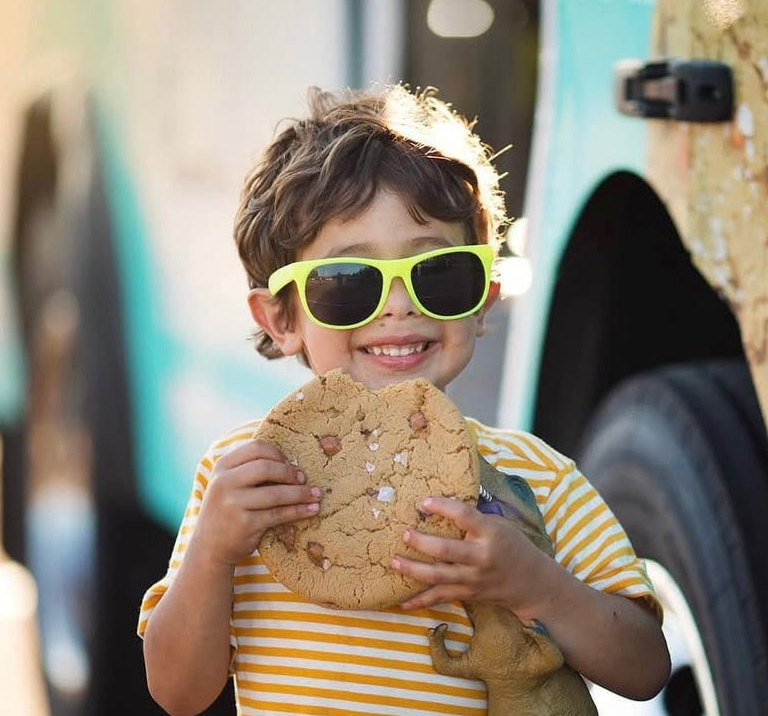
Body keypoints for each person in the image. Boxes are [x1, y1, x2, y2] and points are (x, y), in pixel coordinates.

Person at [138, 85, 670, 716]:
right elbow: (178, 692)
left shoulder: (539, 480)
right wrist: (213, 553)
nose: (398, 306)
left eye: (439, 273)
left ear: (484, 296)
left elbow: (644, 668)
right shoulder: (244, 479)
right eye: (347, 282)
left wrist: (535, 585)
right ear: (281, 318)